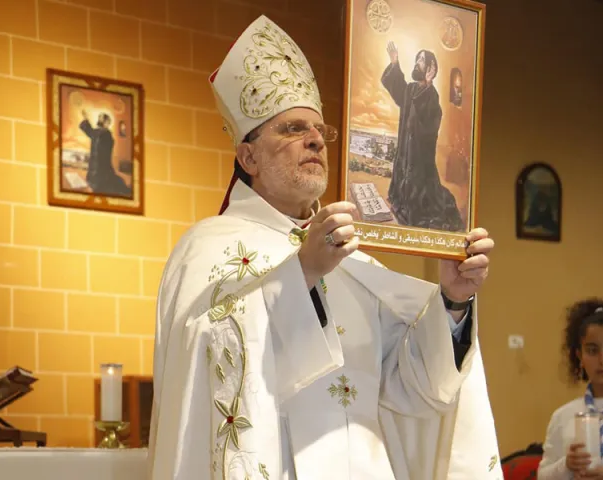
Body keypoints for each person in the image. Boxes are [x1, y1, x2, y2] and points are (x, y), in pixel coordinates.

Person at [147, 15, 501, 480]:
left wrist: (453, 302)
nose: (315, 139)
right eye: (292, 129)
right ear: (248, 156)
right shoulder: (209, 248)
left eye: (319, 130)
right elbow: (208, 363)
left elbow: (417, 392)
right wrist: (302, 275)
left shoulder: (356, 261)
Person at [381, 42, 466, 233]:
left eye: (422, 60)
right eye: (417, 58)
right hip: (406, 147)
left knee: (423, 195)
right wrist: (394, 62)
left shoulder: (432, 94)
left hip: (420, 152)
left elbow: (430, 121)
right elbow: (397, 89)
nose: (417, 62)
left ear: (430, 68)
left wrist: (428, 85)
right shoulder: (410, 89)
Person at [538, 299, 603, 480]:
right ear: (580, 356)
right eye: (592, 350)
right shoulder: (563, 416)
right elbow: (543, 476)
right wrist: (566, 465)